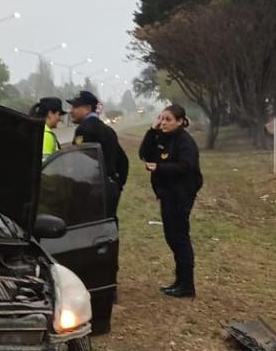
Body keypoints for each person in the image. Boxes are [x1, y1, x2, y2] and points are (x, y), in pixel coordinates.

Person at [138, 104, 203, 298]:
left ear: (181, 122)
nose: (163, 123)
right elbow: (144, 154)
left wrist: (159, 168)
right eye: (162, 118)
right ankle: (179, 280)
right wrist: (152, 130)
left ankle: (187, 285)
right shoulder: (163, 137)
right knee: (171, 237)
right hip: (167, 194)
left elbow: (186, 166)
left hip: (181, 195)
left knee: (179, 238)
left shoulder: (185, 142)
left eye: (168, 120)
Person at [67, 91, 129, 218]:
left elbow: (80, 162)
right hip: (109, 187)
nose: (70, 111)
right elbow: (123, 161)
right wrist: (117, 184)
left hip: (92, 189)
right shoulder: (109, 130)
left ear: (88, 108)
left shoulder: (83, 130)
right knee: (108, 226)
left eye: (75, 107)